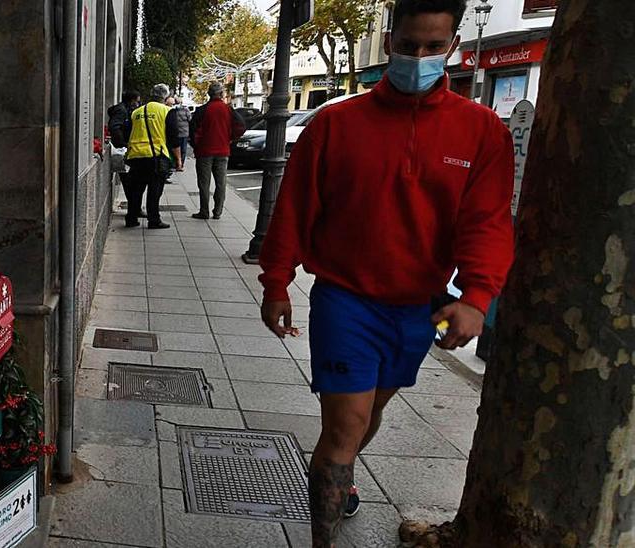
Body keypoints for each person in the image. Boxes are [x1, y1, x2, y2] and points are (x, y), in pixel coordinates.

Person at [257, 0, 513, 545]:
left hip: (418, 306)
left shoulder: (482, 132)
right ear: (390, 38)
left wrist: (476, 295)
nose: (417, 58)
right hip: (345, 299)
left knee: (369, 412)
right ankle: (323, 533)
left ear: (452, 43)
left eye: (431, 47)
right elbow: (295, 209)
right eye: (407, 45)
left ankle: (341, 476)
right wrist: (276, 281)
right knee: (346, 424)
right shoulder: (335, 124)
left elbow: (486, 222)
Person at [124, 84, 182, 229]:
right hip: (156, 156)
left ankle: (131, 218)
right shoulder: (167, 111)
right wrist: (178, 160)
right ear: (165, 97)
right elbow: (173, 137)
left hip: (136, 155)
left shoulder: (136, 112)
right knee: (154, 190)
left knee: (136, 189)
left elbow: (127, 133)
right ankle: (153, 219)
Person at [189, 81, 246, 220]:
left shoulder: (202, 110)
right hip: (222, 151)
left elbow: (192, 131)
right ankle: (218, 211)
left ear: (209, 94)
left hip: (204, 151)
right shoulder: (228, 110)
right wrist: (230, 138)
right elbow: (241, 126)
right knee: (221, 183)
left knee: (204, 183)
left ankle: (204, 211)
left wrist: (196, 146)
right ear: (221, 94)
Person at [108, 90, 144, 217]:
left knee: (130, 183)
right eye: (137, 101)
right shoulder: (122, 111)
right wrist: (123, 144)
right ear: (132, 100)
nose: (138, 104)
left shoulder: (124, 110)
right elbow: (115, 127)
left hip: (124, 148)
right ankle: (134, 210)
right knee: (130, 183)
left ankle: (135, 209)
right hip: (123, 149)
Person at [166, 95, 192, 171]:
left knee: (175, 148)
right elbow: (190, 119)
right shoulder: (185, 110)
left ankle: (176, 164)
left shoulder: (172, 110)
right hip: (183, 132)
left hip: (177, 132)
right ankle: (180, 164)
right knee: (182, 150)